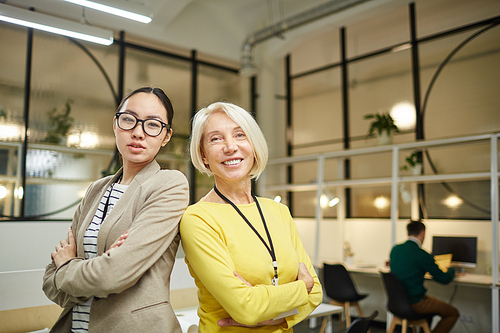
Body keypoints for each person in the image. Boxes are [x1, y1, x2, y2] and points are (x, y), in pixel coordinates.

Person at [43, 87, 189, 332]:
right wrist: (95, 271)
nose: (138, 132)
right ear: (115, 124)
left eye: (153, 125)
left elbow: (113, 275)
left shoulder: (169, 184)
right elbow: (49, 281)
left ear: (166, 136)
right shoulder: (95, 190)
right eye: (129, 120)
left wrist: (68, 267)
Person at [180, 102, 322, 332]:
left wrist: (275, 315)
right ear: (203, 155)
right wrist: (300, 287)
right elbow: (246, 308)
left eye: (239, 135)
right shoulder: (197, 218)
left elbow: (315, 293)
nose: (230, 147)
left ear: (254, 146)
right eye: (216, 139)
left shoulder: (278, 211)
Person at [390, 220, 459, 333]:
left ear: (408, 232)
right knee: (452, 313)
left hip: (397, 303)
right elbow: (444, 279)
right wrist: (452, 269)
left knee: (431, 307)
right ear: (422, 233)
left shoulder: (395, 249)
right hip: (415, 302)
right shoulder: (422, 254)